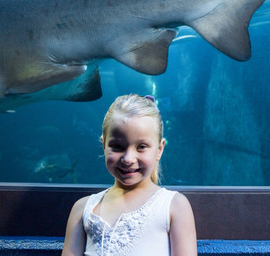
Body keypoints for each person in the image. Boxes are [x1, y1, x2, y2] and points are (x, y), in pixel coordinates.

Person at [62, 94, 197, 256]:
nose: (128, 159)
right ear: (103, 145)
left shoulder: (174, 206)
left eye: (141, 147)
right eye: (117, 146)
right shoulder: (82, 209)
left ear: (159, 149)